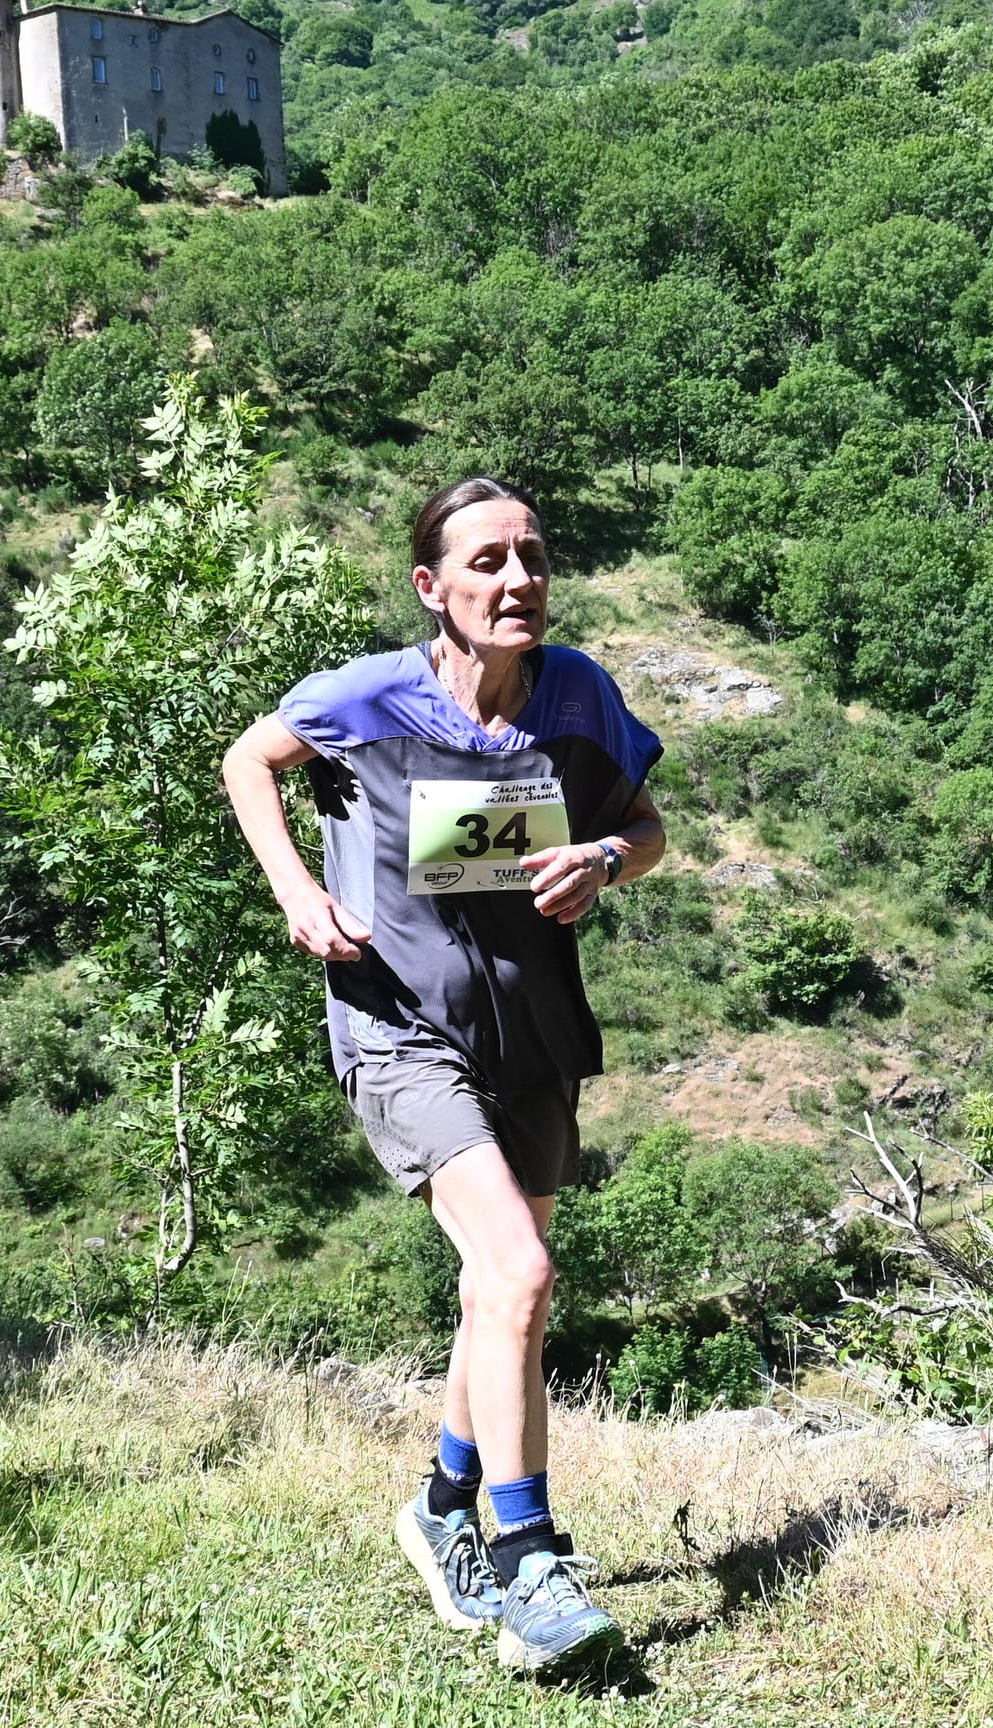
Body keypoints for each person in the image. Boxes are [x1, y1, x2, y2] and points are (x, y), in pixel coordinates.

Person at [221, 476, 666, 1673]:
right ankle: (528, 1563)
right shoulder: (369, 693)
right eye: (486, 562)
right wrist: (294, 890)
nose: (516, 578)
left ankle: (439, 1508)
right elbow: (247, 760)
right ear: (433, 587)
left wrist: (603, 859)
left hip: (534, 1029)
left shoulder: (577, 692)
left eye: (529, 554)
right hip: (399, 1026)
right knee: (519, 1267)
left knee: (499, 1294)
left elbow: (645, 823)